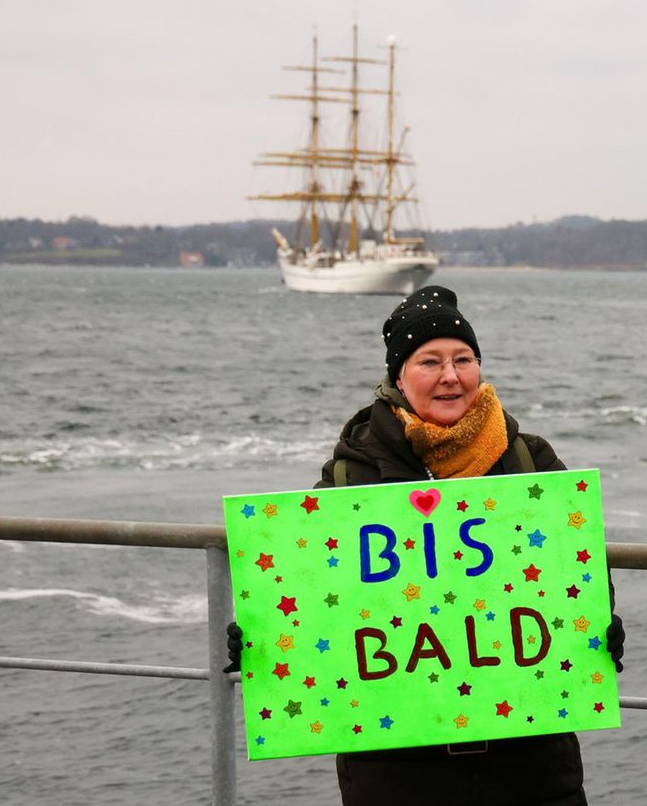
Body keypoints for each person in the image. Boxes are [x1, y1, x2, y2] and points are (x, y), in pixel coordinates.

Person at [230, 286, 624, 806]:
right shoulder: (350, 475)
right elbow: (311, 590)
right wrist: (264, 635)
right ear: (399, 376)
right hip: (395, 769)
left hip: (531, 762)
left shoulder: (529, 460)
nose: (450, 375)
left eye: (464, 359)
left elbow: (579, 566)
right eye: (430, 361)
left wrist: (597, 622)